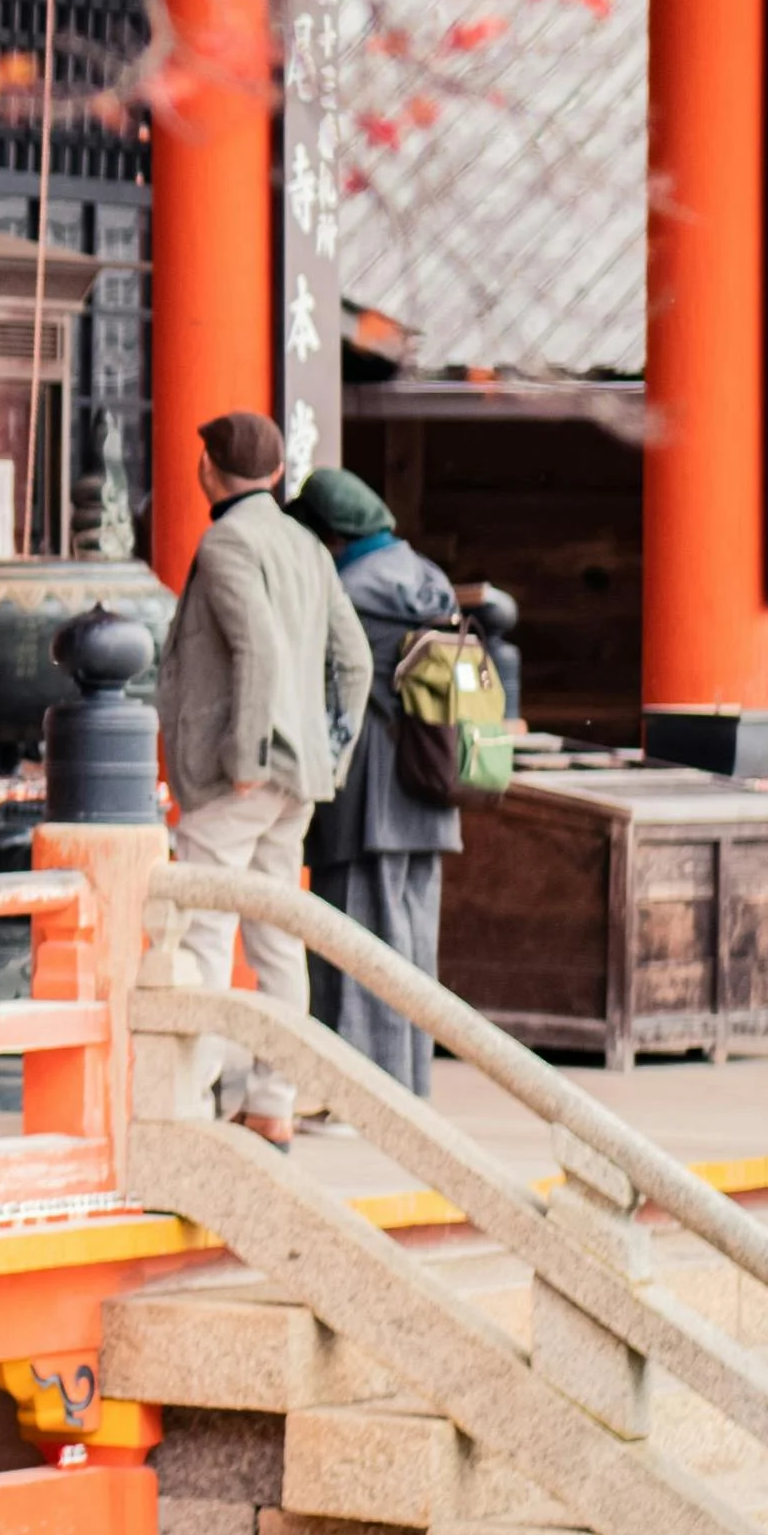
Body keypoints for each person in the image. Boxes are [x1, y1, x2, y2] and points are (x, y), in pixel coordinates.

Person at [154, 410, 369, 1132]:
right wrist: (327, 750)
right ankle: (273, 1100)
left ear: (206, 469)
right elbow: (356, 661)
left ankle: (192, 1096)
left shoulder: (226, 542)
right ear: (277, 473)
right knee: (276, 940)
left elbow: (259, 652)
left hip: (237, 776)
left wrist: (245, 756)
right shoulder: (307, 544)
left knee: (203, 931)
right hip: (297, 777)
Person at [291, 464, 465, 1098]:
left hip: (369, 791)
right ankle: (407, 1080)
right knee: (413, 943)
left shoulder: (352, 589)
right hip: (431, 782)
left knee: (356, 940)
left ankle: (355, 1093)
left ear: (330, 533)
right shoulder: (428, 578)